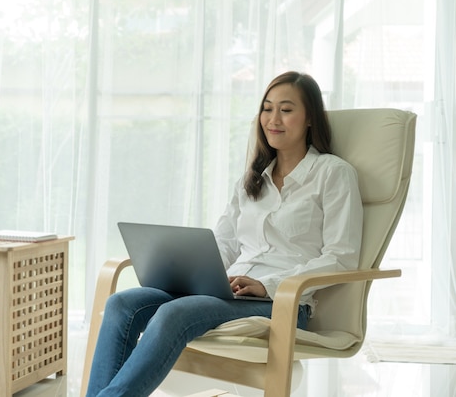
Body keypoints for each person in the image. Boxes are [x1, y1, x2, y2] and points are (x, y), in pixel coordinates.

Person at [85, 71, 363, 397]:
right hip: (226, 290)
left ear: (310, 118)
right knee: (122, 304)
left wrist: (267, 285)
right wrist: (185, 269)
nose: (273, 119)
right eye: (267, 108)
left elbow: (342, 258)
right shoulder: (254, 179)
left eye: (286, 110)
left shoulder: (333, 173)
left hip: (284, 301)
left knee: (174, 313)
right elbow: (226, 243)